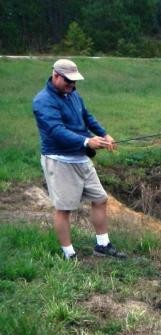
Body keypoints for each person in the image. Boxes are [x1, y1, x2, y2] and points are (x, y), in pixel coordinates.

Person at [32, 58, 125, 260]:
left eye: (75, 82)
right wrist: (86, 141)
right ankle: (69, 254)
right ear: (55, 75)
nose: (72, 85)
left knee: (100, 199)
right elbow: (56, 131)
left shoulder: (73, 94)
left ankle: (102, 245)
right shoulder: (43, 101)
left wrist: (104, 134)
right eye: (68, 81)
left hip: (81, 158)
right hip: (60, 160)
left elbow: (86, 116)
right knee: (64, 209)